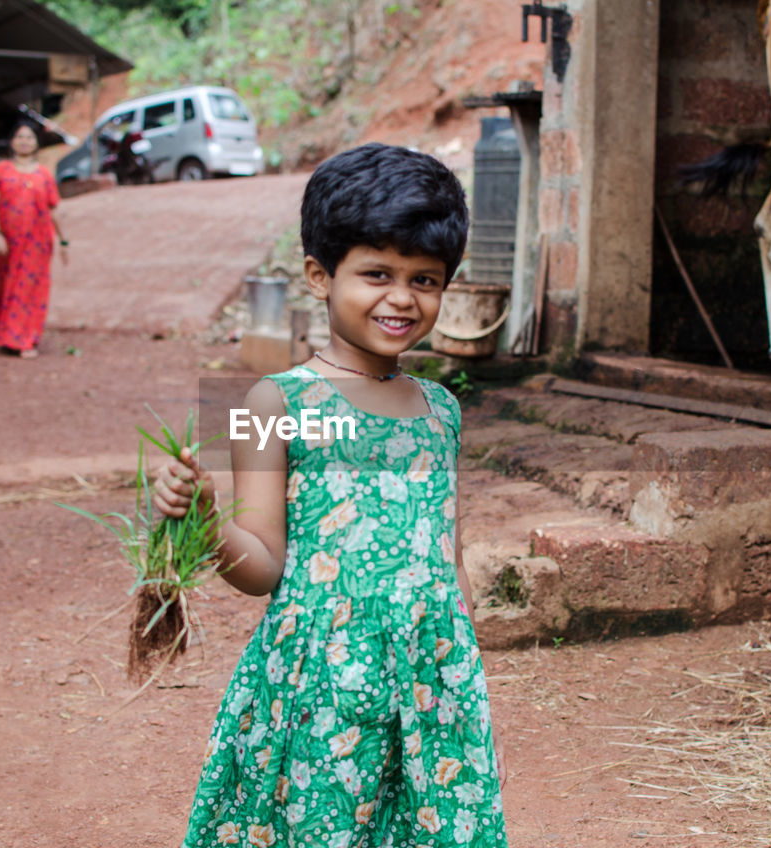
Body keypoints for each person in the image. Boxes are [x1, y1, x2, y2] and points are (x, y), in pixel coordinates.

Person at [152, 143, 508, 847]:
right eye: (377, 273)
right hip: (321, 685)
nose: (402, 298)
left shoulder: (443, 408)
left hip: (430, 684)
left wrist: (456, 655)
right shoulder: (268, 399)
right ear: (320, 275)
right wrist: (203, 518)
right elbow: (260, 567)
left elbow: (449, 553)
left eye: (425, 279)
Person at [0, 120, 68, 359]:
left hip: (37, 244)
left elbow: (54, 210)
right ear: (12, 142)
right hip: (5, 242)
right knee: (4, 287)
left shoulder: (44, 175)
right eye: (20, 137)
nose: (24, 141)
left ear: (36, 143)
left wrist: (64, 241)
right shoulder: (0, 171)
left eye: (29, 137)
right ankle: (6, 335)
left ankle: (24, 339)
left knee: (30, 289)